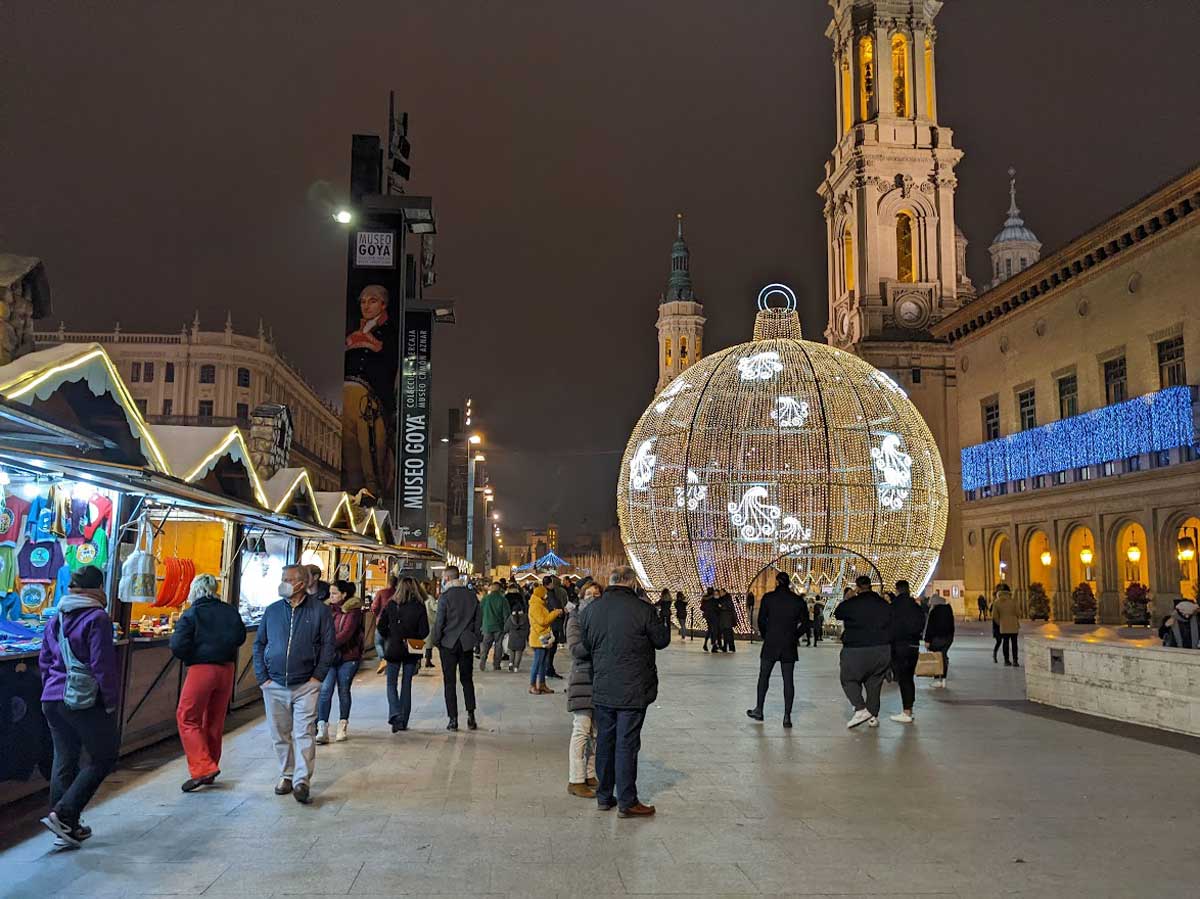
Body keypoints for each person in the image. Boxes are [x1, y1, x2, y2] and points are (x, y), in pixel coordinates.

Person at [37, 566, 121, 848]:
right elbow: (102, 664)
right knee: (104, 756)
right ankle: (64, 813)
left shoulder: (56, 617)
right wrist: (110, 700)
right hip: (82, 700)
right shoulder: (97, 617)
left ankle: (63, 826)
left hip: (52, 699)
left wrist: (52, 686)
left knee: (65, 758)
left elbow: (45, 660)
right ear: (98, 587)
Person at [578, 566, 671, 817]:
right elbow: (661, 641)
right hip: (634, 688)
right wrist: (664, 615)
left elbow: (585, 647)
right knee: (626, 744)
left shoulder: (591, 610)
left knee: (605, 741)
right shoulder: (643, 610)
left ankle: (604, 796)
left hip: (603, 686)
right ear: (631, 583)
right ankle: (628, 801)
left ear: (611, 582)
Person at [252, 563, 335, 804]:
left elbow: (329, 645)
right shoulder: (273, 611)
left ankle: (302, 780)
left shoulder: (319, 611)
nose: (283, 583)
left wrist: (318, 676)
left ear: (301, 583)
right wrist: (262, 678)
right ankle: (286, 774)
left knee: (304, 732)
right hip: (274, 684)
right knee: (280, 733)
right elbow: (259, 644)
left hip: (306, 684)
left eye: (287, 579)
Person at [170, 573, 247, 791]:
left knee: (187, 718)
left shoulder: (192, 613)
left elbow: (177, 644)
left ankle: (203, 768)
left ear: (194, 590)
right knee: (214, 721)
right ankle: (211, 766)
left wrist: (193, 654)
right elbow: (240, 637)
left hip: (201, 669)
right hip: (227, 669)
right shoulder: (230, 611)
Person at [746, 572, 809, 727]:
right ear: (788, 583)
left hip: (771, 642)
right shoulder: (797, 601)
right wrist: (795, 635)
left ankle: (759, 709)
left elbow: (761, 620)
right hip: (789, 644)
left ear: (777, 582)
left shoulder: (768, 598)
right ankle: (787, 717)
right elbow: (806, 623)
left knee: (764, 677)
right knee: (788, 680)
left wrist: (766, 634)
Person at [834, 575, 893, 729]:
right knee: (874, 683)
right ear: (871, 586)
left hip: (856, 649)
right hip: (881, 649)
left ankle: (860, 709)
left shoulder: (852, 603)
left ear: (858, 587)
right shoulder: (883, 604)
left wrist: (848, 598)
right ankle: (873, 716)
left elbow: (838, 613)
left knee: (849, 679)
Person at [429, 565, 482, 730]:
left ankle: (453, 719)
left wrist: (437, 641)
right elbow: (478, 620)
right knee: (467, 680)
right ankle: (471, 716)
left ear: (447, 578)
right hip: (466, 644)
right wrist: (474, 638)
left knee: (449, 682)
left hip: (448, 644)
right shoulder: (471, 596)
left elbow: (439, 622)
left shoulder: (445, 597)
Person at [377, 577, 430, 731]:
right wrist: (414, 638)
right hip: (412, 649)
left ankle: (395, 713)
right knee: (406, 684)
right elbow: (424, 631)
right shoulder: (419, 606)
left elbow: (381, 626)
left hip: (394, 647)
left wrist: (391, 636)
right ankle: (403, 720)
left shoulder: (391, 605)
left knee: (391, 683)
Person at [566, 580, 602, 798]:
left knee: (597, 733)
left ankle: (590, 774)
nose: (593, 597)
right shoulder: (575, 619)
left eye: (597, 594)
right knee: (581, 729)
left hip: (601, 679)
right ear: (581, 596)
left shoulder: (605, 619)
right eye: (589, 594)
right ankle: (575, 779)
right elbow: (575, 649)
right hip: (582, 678)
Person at [316, 580, 364, 744]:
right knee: (325, 690)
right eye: (330, 593)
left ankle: (342, 725)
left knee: (343, 690)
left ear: (344, 594)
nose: (332, 596)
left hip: (348, 657)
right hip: (329, 657)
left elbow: (346, 633)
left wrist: (326, 644)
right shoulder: (326, 610)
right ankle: (322, 727)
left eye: (335, 593)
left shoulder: (353, 611)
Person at [888, 580, 925, 723]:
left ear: (897, 590)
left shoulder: (894, 606)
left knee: (903, 679)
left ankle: (906, 712)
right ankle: (909, 708)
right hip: (914, 646)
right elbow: (921, 623)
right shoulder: (915, 606)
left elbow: (889, 626)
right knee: (909, 678)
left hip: (899, 646)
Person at [528, 584, 563, 694]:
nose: (547, 595)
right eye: (545, 593)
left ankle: (542, 684)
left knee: (543, 662)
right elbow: (543, 621)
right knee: (537, 662)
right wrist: (555, 613)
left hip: (543, 637)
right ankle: (532, 685)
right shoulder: (536, 606)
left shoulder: (540, 604)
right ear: (541, 594)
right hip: (539, 638)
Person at [367, 574, 398, 675]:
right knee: (388, 643)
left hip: (381, 621)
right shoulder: (398, 594)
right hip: (394, 623)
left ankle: (383, 659)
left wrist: (377, 615)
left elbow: (375, 606)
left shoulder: (381, 592)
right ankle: (388, 666)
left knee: (378, 643)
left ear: (388, 582)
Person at [924, 592, 956, 688]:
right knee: (943, 657)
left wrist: (927, 640)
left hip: (937, 638)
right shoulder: (948, 610)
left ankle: (937, 679)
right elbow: (952, 625)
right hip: (948, 638)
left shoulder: (934, 611)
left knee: (937, 658)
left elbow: (930, 627)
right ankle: (944, 680)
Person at [478, 582, 508, 672]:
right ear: (499, 589)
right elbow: (506, 614)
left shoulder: (486, 599)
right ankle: (496, 664)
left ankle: (482, 661)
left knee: (485, 645)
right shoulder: (503, 599)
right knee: (498, 646)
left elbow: (480, 611)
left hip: (487, 626)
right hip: (499, 627)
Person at [544, 575, 570, 679]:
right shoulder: (553, 593)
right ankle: (547, 670)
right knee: (550, 648)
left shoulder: (547, 593)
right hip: (553, 623)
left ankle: (548, 669)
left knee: (548, 648)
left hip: (549, 624)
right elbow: (558, 608)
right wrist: (561, 611)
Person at [992, 584, 1020, 666]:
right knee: (1014, 643)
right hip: (1014, 625)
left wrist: (1000, 623)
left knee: (1005, 643)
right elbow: (1018, 613)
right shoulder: (1013, 601)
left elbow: (995, 616)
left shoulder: (996, 602)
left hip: (1003, 626)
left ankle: (1006, 660)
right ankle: (1015, 660)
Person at [504, 589, 530, 672]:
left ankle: (510, 663)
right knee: (519, 652)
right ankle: (516, 667)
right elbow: (528, 627)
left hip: (512, 636)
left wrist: (506, 632)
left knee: (511, 651)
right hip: (521, 637)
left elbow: (506, 627)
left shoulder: (511, 618)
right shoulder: (525, 618)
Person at [423, 584, 438, 669]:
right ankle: (428, 661)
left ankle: (418, 661)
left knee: (419, 643)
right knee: (428, 643)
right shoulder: (429, 598)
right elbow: (436, 608)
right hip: (429, 622)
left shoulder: (419, 597)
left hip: (421, 621)